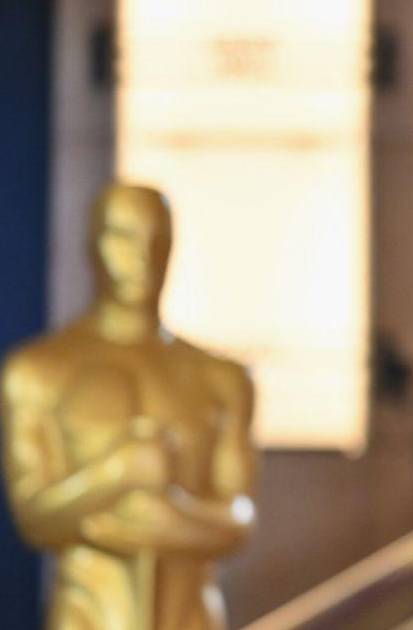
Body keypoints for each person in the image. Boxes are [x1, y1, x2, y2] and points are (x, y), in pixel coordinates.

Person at [2, 184, 256, 629]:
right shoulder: (39, 372)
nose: (141, 256)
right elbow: (34, 517)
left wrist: (168, 518)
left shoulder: (221, 379)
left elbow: (238, 517)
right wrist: (117, 473)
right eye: (123, 236)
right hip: (88, 614)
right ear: (92, 244)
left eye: (156, 239)